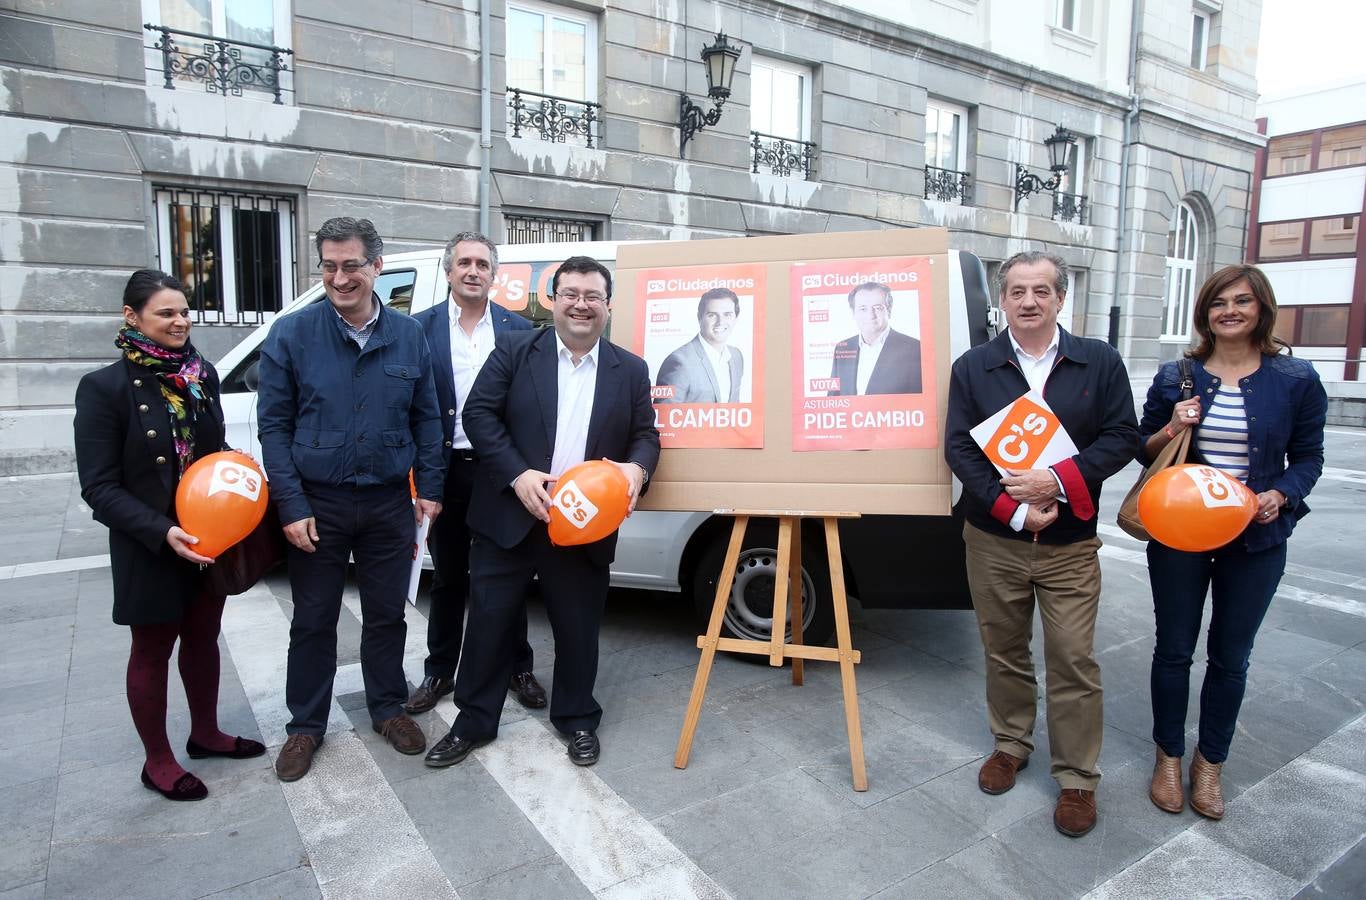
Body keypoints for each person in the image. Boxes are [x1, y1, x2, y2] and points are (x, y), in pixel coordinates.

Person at [424, 255, 660, 769]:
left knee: (578, 629)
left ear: (608, 305)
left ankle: (577, 719)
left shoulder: (631, 369)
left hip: (584, 524)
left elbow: (646, 434)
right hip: (510, 513)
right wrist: (517, 473)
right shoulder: (513, 349)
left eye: (592, 295)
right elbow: (479, 413)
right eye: (570, 293)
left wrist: (638, 470)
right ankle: (473, 723)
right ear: (553, 300)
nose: (581, 304)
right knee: (487, 625)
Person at [944, 251, 1137, 838]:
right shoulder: (974, 366)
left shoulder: (1098, 361)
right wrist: (1014, 510)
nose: (1029, 301)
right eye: (1018, 291)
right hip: (994, 538)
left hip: (1071, 542)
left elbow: (1123, 436)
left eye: (1042, 291)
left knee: (1074, 658)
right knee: (1003, 649)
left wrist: (1057, 480)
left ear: (1060, 299)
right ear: (1002, 301)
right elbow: (958, 447)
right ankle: (1011, 743)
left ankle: (1077, 777)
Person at [257, 217, 445, 782]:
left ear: (376, 267)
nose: (340, 278)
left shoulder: (409, 335)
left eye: (352, 265)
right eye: (330, 266)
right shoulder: (291, 334)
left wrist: (430, 487)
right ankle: (305, 727)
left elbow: (428, 417)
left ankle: (388, 708)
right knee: (313, 619)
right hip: (319, 504)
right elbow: (274, 427)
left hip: (389, 502)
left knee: (387, 615)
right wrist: (290, 505)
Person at [1137, 265, 1325, 820]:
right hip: (1180, 535)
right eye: (1219, 302)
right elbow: (1143, 449)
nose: (1230, 311)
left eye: (1242, 301)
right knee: (1173, 649)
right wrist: (1172, 426)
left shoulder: (1295, 379)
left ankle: (1209, 762)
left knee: (1231, 656)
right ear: (1205, 313)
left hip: (1257, 538)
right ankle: (1168, 756)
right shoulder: (1178, 376)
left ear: (1261, 308)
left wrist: (1282, 494)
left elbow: (1310, 456)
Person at [74, 270, 266, 802]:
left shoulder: (199, 373)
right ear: (132, 317)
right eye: (166, 313)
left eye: (184, 311)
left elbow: (212, 446)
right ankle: (157, 760)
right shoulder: (104, 388)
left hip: (208, 539)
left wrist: (234, 465)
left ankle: (206, 733)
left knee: (204, 638)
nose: (180, 321)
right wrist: (162, 531)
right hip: (151, 543)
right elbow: (99, 487)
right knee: (152, 648)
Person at [404, 231, 546, 715]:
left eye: (482, 264)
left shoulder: (519, 330)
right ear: (448, 271)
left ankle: (517, 667)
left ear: (494, 274)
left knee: (508, 573)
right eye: (463, 262)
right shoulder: (417, 330)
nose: (472, 271)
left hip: (500, 471)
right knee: (447, 577)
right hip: (443, 471)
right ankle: (439, 669)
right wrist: (421, 478)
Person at [828, 281, 922, 395]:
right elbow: (833, 399)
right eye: (863, 309)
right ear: (853, 313)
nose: (870, 315)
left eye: (877, 308)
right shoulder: (842, 348)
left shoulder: (914, 349)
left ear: (889, 310)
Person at [655, 287, 745, 403]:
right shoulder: (679, 361)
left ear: (736, 318)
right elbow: (664, 416)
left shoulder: (736, 356)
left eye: (727, 314)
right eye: (712, 315)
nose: (720, 322)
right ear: (699, 318)